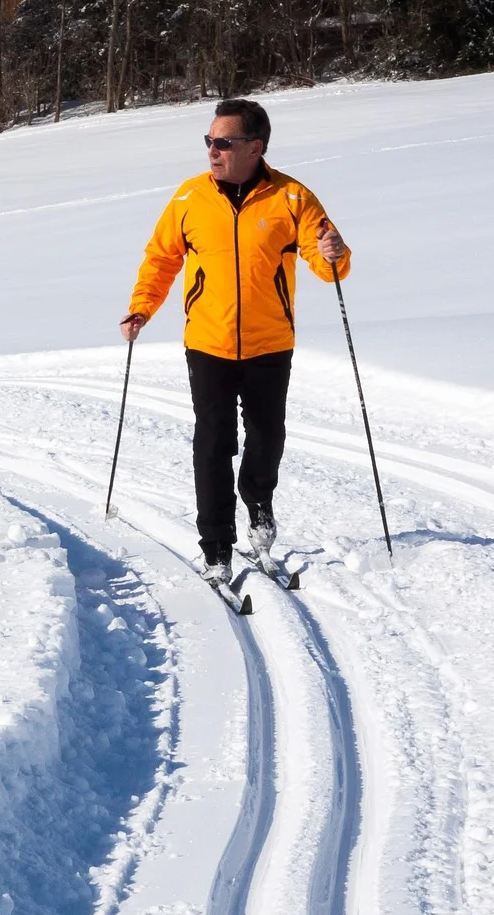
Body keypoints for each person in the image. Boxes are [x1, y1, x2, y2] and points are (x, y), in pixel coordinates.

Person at [120, 98, 350, 585]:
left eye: (223, 142)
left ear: (255, 147)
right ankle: (216, 545)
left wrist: (334, 251)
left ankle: (259, 506)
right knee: (213, 443)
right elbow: (161, 260)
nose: (212, 150)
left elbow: (326, 258)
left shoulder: (292, 198)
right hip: (208, 343)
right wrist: (142, 307)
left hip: (271, 343)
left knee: (267, 439)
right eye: (209, 141)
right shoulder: (189, 199)